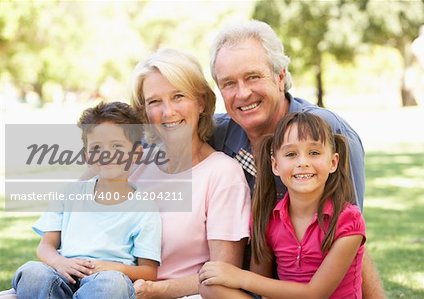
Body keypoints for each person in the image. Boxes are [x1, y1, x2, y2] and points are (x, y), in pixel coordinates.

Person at [206, 20, 385, 298]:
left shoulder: (328, 133)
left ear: (280, 77)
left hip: (322, 280)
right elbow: (161, 132)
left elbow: (351, 238)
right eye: (229, 83)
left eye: (253, 77)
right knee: (213, 288)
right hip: (260, 281)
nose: (242, 93)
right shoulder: (215, 135)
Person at [199, 112, 366, 298]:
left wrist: (239, 277)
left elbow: (315, 294)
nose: (303, 162)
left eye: (314, 153)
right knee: (210, 287)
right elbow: (261, 286)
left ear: (333, 162)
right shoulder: (268, 218)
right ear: (275, 165)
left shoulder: (347, 220)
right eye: (291, 154)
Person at [129, 48, 251, 298]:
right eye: (154, 101)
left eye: (178, 96)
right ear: (144, 112)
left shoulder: (222, 174)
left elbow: (223, 274)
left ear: (201, 102)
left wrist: (155, 290)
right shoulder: (134, 166)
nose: (168, 111)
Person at [11, 101, 162, 299]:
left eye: (117, 146)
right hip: (63, 273)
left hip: (107, 278)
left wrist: (112, 267)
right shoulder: (69, 193)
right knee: (32, 272)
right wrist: (59, 262)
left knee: (111, 284)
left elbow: (148, 271)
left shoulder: (145, 207)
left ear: (136, 153)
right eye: (97, 148)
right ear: (87, 156)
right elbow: (45, 245)